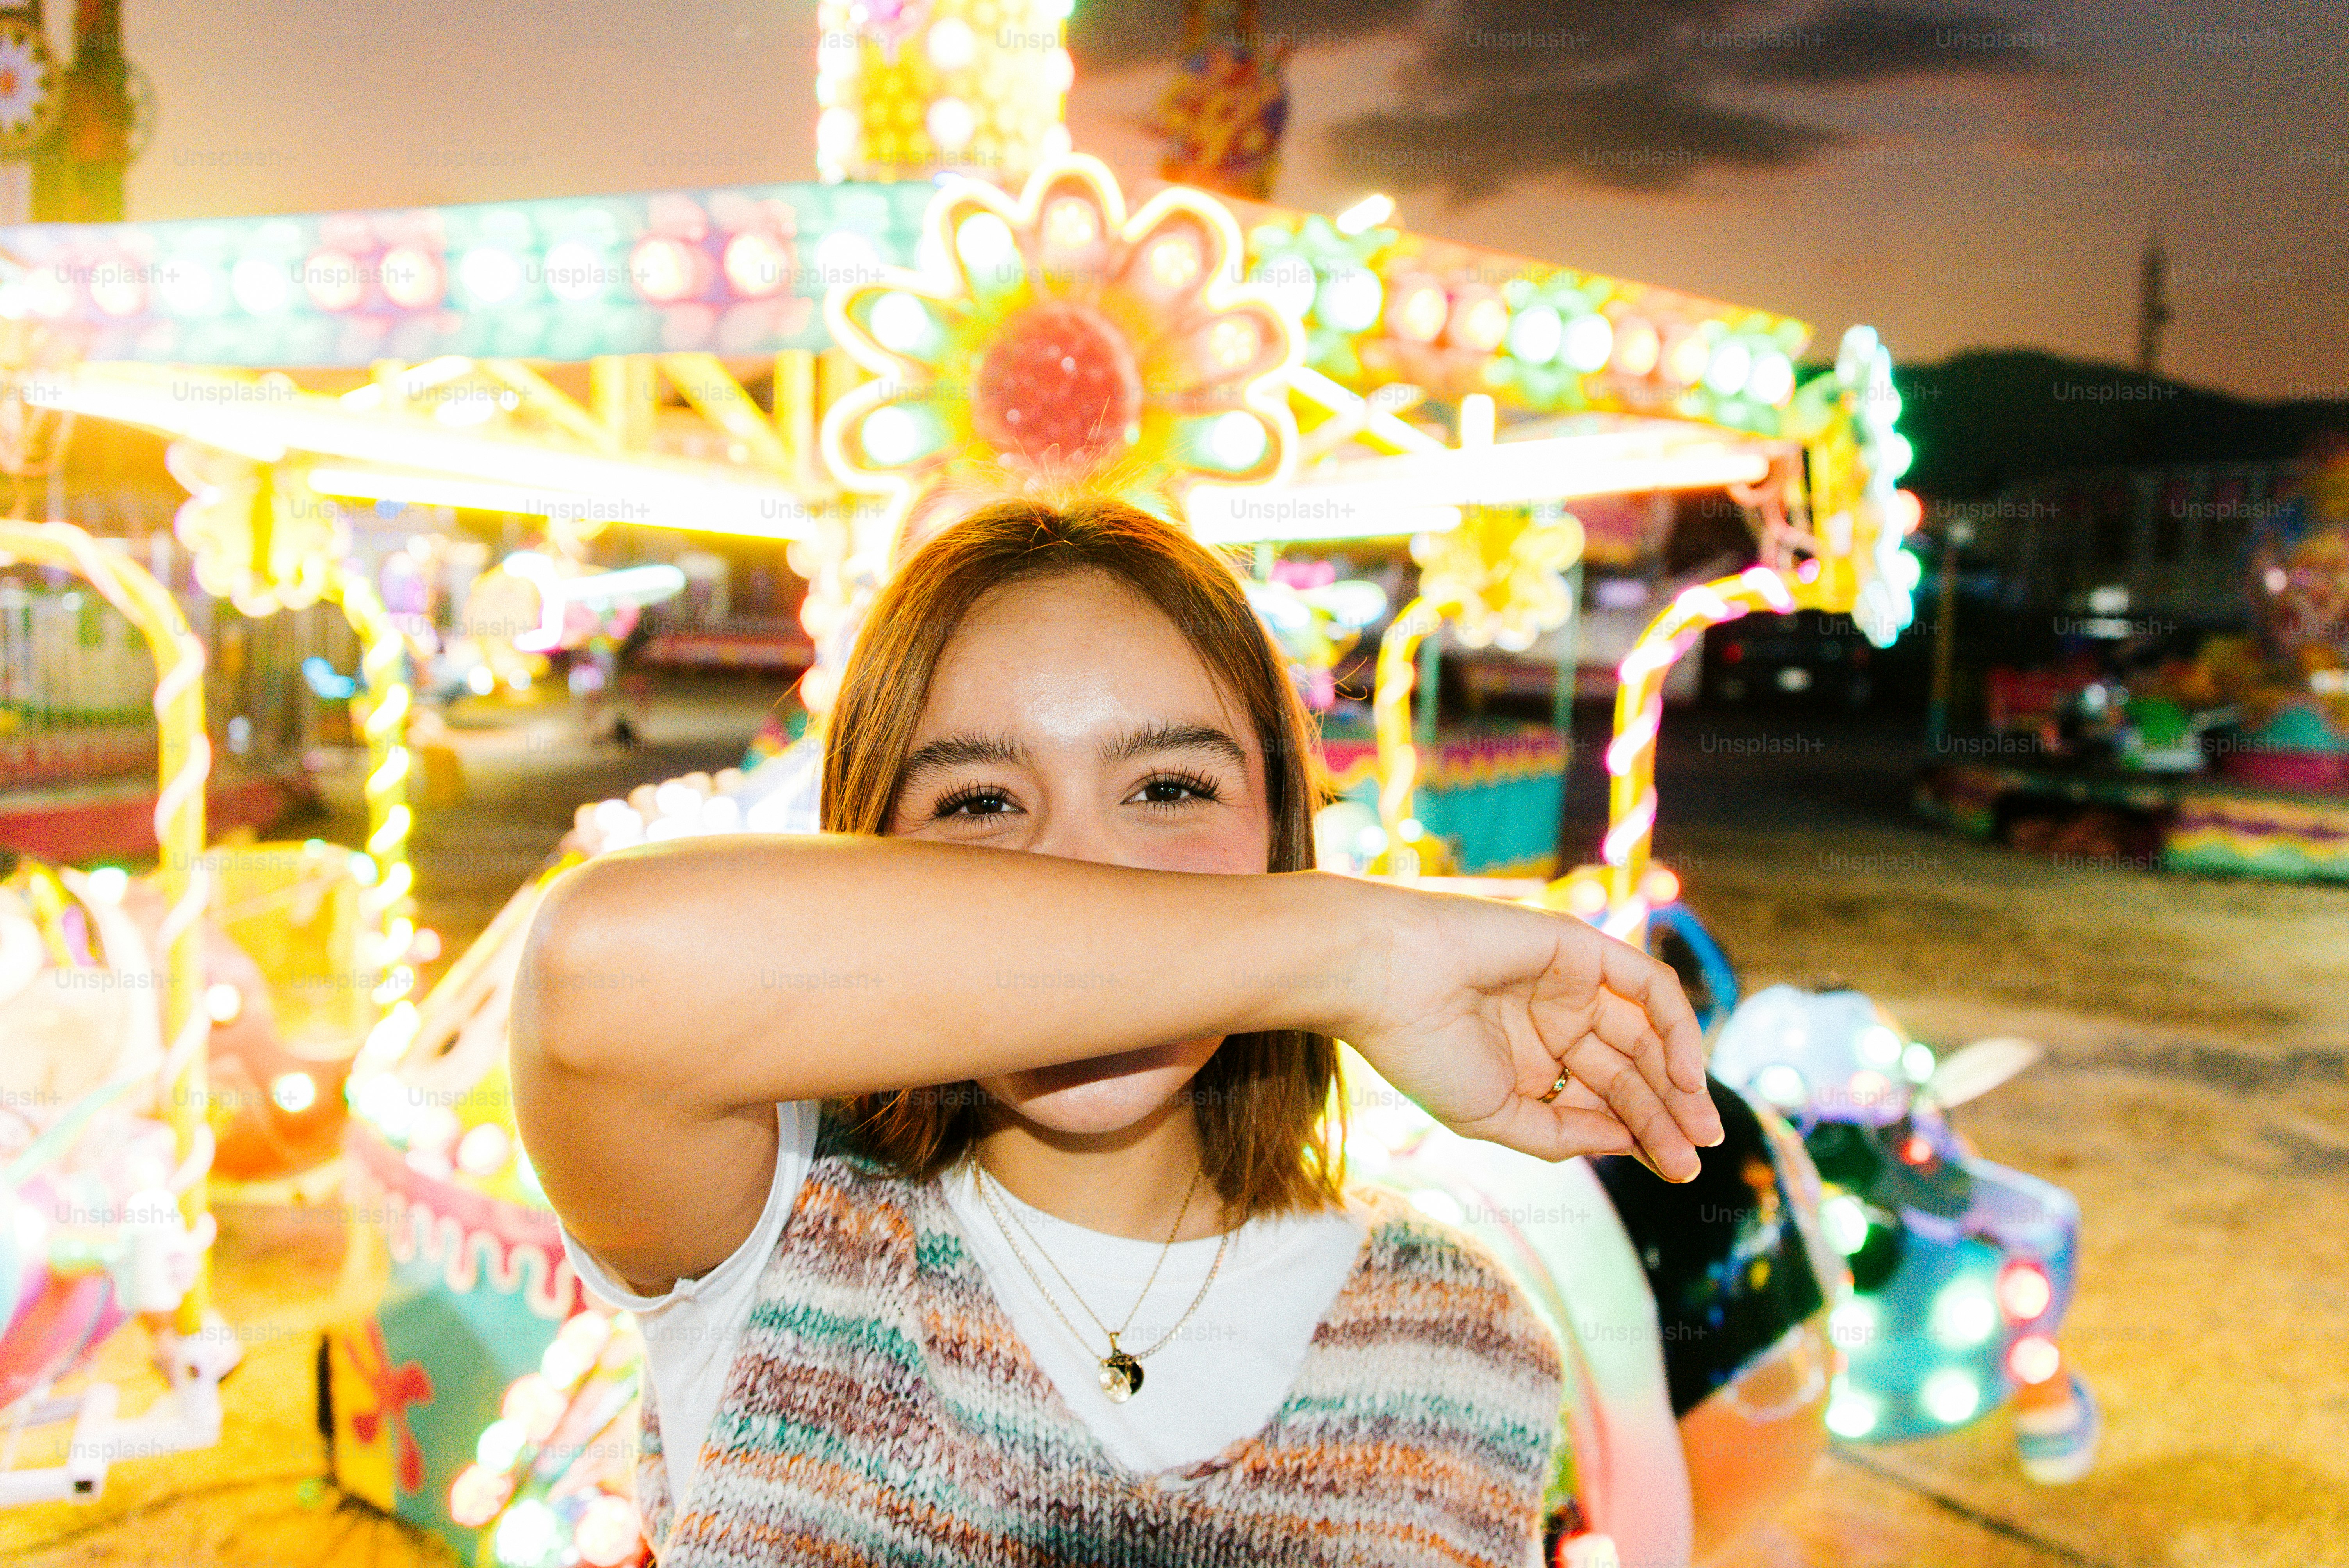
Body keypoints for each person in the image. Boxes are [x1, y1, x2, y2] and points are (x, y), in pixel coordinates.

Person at [511, 498, 1723, 1566]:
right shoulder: (771, 1226)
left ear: (1280, 836)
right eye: (980, 802)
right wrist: (1355, 955)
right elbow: (592, 970)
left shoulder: (1467, 1340)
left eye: (1169, 789)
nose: (1081, 873)